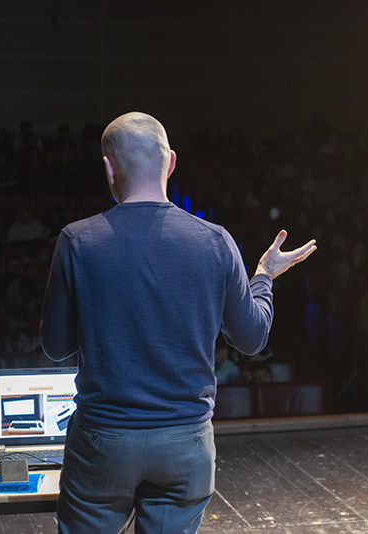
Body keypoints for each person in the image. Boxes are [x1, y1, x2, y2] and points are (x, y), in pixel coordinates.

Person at [40, 112, 316, 534]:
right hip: (185, 444)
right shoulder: (215, 241)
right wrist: (263, 275)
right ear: (170, 162)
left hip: (104, 442)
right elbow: (252, 338)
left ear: (108, 167)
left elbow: (55, 347)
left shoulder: (77, 241)